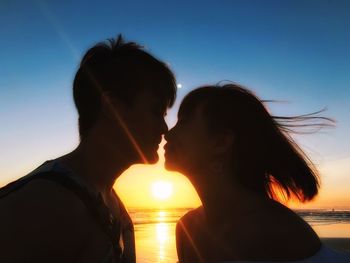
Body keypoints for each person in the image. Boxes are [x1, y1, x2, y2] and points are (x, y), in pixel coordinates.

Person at [0, 35, 176, 262]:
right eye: (156, 112)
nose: (164, 129)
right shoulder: (43, 205)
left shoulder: (111, 203)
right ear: (112, 108)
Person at [164, 84, 350, 262]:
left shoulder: (278, 232)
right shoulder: (187, 228)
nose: (168, 134)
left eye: (184, 122)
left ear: (220, 142)